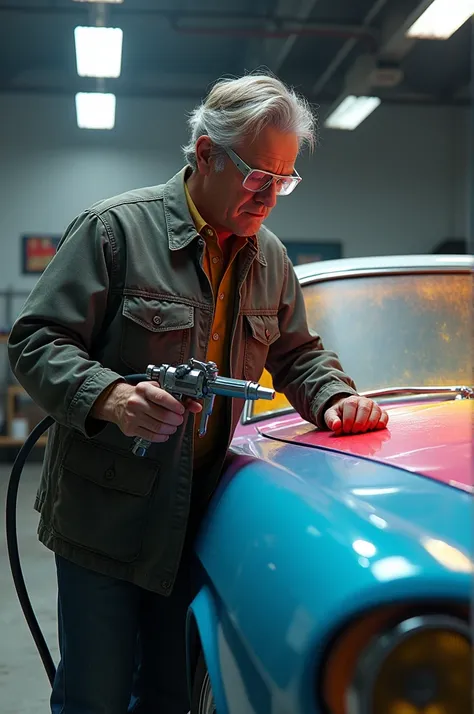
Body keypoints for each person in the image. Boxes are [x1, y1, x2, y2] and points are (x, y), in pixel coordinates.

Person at [8, 72, 388, 714]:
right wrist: (110, 398)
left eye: (284, 181)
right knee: (93, 698)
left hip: (197, 522)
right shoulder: (115, 232)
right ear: (206, 153)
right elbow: (36, 340)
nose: (269, 198)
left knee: (170, 696)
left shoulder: (270, 259)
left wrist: (332, 399)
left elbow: (297, 353)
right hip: (104, 521)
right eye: (257, 177)